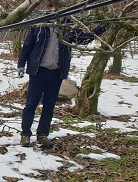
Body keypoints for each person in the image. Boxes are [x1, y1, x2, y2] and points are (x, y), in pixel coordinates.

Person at [17, 20, 108, 148]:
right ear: (49, 7)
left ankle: (43, 135)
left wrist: (100, 29)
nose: (56, 9)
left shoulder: (69, 26)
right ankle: (25, 134)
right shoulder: (40, 25)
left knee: (49, 106)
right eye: (52, 5)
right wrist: (21, 64)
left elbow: (82, 39)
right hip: (38, 71)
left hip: (56, 73)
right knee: (31, 104)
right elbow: (27, 46)